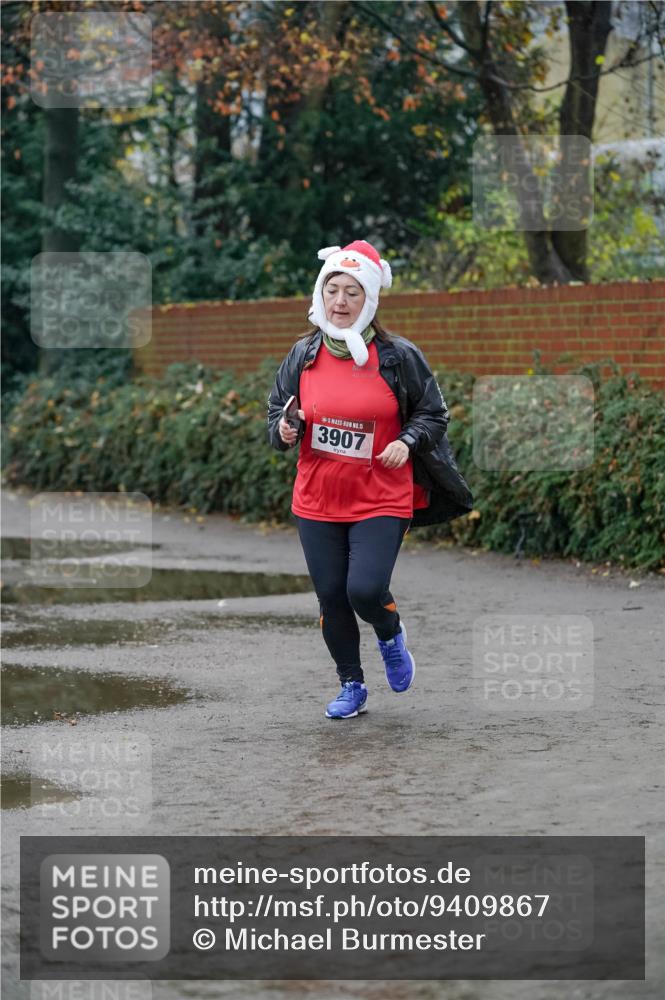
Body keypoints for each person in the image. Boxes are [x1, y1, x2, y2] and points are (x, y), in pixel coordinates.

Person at [267, 240, 473, 719]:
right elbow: (278, 412)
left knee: (363, 590)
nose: (340, 301)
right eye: (332, 290)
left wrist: (408, 440)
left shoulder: (398, 356)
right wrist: (284, 429)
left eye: (352, 292)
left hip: (382, 494)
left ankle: (390, 633)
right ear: (320, 295)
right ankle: (352, 685)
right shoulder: (303, 354)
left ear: (370, 300)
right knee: (332, 596)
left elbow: (433, 413)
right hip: (317, 498)